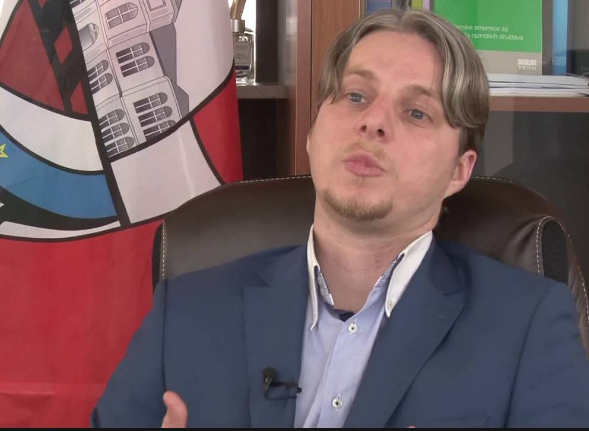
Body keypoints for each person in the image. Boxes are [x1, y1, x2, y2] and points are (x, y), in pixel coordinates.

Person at [92, 8, 589, 428]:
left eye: (416, 112)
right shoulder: (187, 310)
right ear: (313, 133)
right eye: (355, 96)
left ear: (459, 171)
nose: (372, 122)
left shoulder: (527, 323)